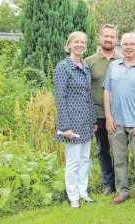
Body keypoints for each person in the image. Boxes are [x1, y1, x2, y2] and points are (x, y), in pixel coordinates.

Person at [104, 33, 135, 205]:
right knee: (119, 159)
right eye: (125, 44)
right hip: (116, 122)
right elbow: (107, 92)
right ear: (121, 46)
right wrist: (108, 117)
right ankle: (122, 192)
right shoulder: (113, 67)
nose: (128, 47)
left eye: (132, 44)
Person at [54, 31, 97, 208]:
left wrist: (93, 120)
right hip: (71, 122)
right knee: (73, 161)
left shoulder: (86, 67)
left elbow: (89, 95)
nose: (80, 45)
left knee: (85, 159)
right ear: (69, 45)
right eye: (76, 42)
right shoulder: (62, 68)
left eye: (83, 42)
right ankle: (73, 196)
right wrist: (65, 126)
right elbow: (60, 97)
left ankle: (83, 191)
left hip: (86, 121)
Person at [84, 24, 121, 196]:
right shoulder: (89, 62)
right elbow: (84, 90)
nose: (108, 39)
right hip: (98, 114)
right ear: (100, 37)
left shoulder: (122, 61)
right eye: (105, 36)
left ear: (116, 39)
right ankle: (108, 183)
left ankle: (122, 181)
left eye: (112, 36)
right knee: (103, 149)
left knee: (120, 149)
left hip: (120, 113)